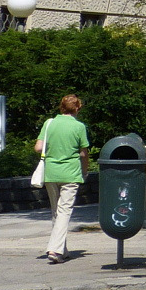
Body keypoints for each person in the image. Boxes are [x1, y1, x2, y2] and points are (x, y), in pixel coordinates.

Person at [35, 94, 90, 264]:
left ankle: (62, 250)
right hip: (71, 173)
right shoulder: (79, 126)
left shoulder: (49, 123)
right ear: (77, 108)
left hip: (51, 173)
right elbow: (84, 153)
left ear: (62, 107)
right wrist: (85, 170)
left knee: (56, 212)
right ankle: (55, 250)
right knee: (64, 212)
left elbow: (38, 147)